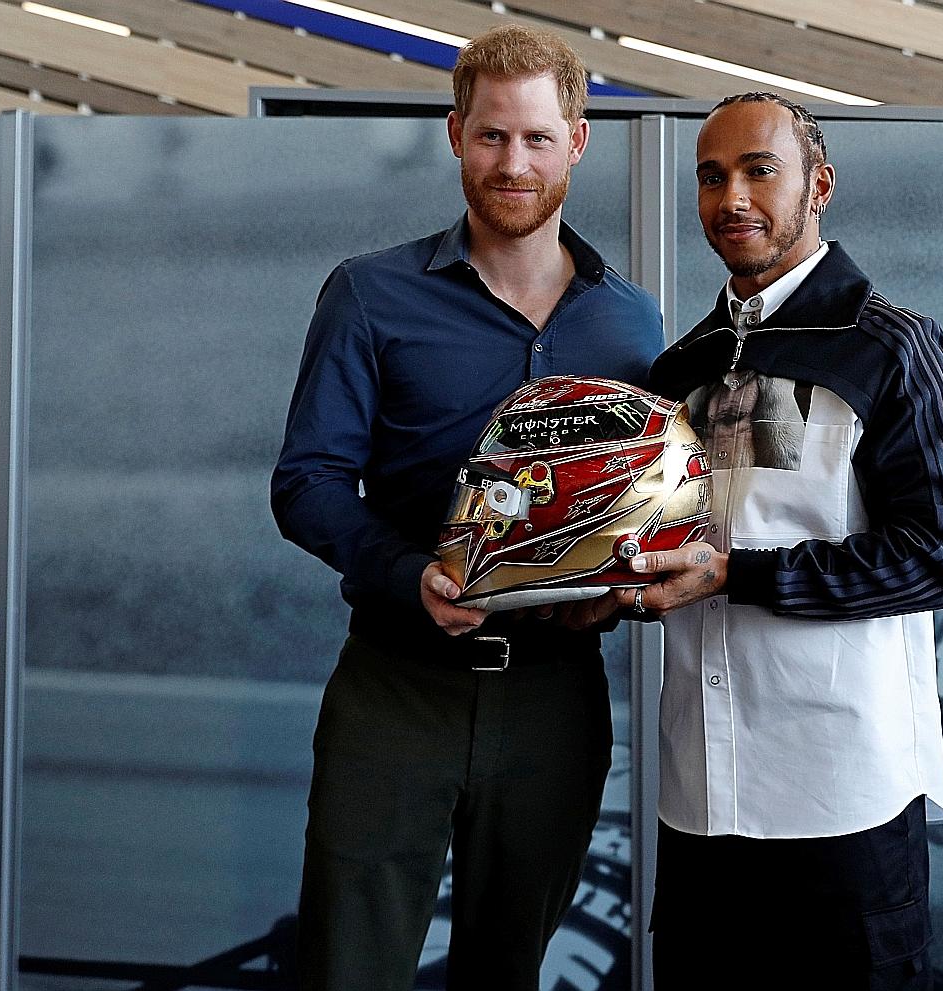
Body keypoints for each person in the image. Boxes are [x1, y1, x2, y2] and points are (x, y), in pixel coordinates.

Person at [269, 25, 662, 991]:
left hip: (556, 700)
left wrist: (619, 588)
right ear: (454, 135)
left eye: (535, 139)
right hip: (397, 687)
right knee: (345, 969)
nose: (511, 163)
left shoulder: (634, 319)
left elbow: (639, 502)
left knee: (508, 975)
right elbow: (307, 480)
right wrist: (412, 578)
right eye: (491, 137)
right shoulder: (369, 295)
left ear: (577, 140)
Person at [629, 92, 943, 989]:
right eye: (712, 177)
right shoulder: (682, 368)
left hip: (843, 798)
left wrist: (730, 576)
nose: (731, 197)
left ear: (819, 184)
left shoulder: (895, 347)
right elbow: (662, 544)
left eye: (758, 171)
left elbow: (940, 555)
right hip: (699, 797)